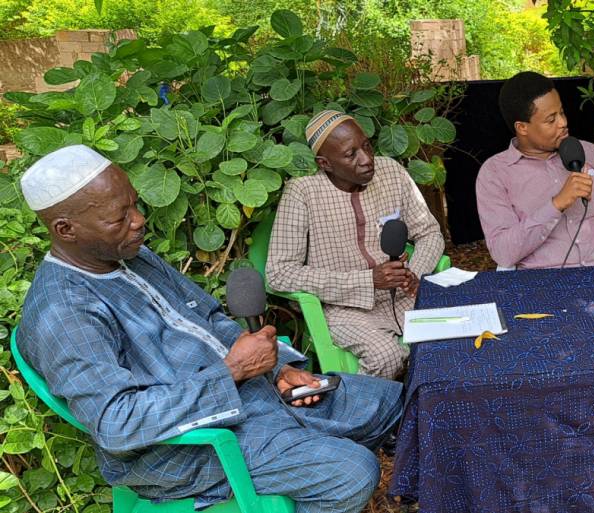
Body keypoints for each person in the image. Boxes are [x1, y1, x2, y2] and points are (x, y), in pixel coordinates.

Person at [16, 145, 404, 513]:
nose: (139, 220)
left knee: (395, 403)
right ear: (66, 229)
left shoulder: (132, 257)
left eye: (134, 204)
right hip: (183, 449)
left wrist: (278, 368)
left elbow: (210, 318)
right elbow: (118, 424)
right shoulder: (64, 310)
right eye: (120, 218)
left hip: (252, 393)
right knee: (350, 474)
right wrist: (233, 372)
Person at [267, 110, 445, 379]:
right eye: (351, 155)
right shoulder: (303, 193)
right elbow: (279, 273)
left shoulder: (391, 172)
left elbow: (430, 232)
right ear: (325, 163)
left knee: (455, 335)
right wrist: (367, 281)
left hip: (406, 297)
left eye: (366, 146)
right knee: (386, 356)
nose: (367, 159)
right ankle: (365, 414)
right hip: (345, 309)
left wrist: (415, 274)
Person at [476, 71, 594, 269]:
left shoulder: (589, 152)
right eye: (551, 119)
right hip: (545, 289)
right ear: (522, 128)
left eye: (562, 112)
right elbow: (503, 252)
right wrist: (556, 205)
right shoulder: (495, 174)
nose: (563, 123)